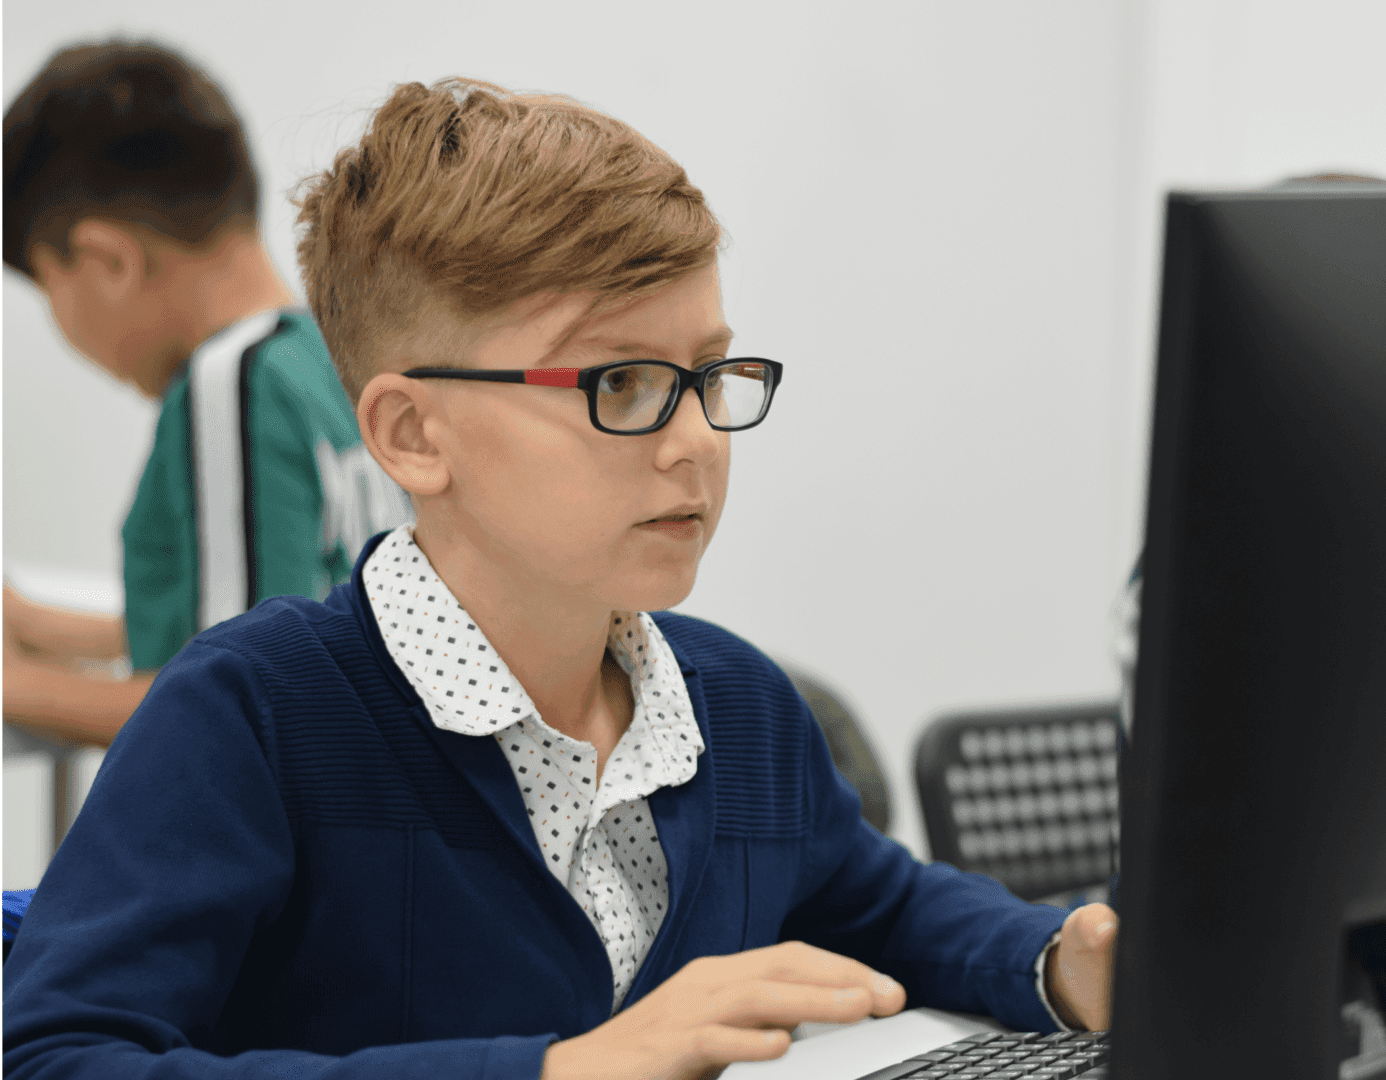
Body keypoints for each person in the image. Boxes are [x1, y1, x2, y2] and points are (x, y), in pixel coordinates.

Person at [2, 77, 1120, 1078]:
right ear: (413, 435)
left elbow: (885, 905)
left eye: (708, 373)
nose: (698, 441)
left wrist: (1059, 958)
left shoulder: (740, 706)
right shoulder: (252, 715)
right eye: (621, 384)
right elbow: (58, 1056)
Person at [2, 41, 407, 747]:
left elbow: (237, 705)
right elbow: (267, 608)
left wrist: (17, 685)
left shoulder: (233, 380)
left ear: (107, 261)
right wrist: (40, 625)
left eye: (50, 289)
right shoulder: (325, 356)